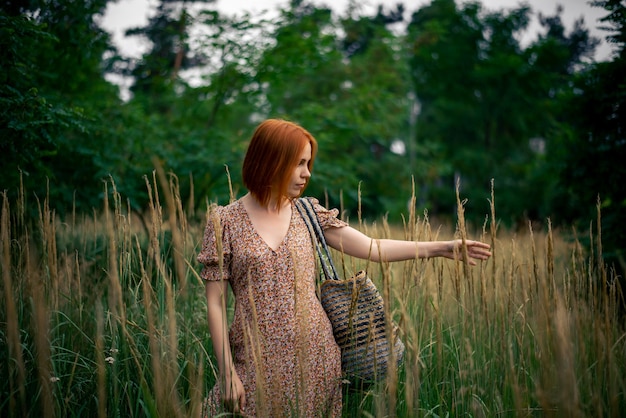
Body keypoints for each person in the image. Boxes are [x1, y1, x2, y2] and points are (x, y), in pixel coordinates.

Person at [197, 118, 492, 417]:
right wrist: (226, 373)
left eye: (308, 163)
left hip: (317, 359)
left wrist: (440, 248)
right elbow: (215, 303)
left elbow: (372, 247)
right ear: (272, 160)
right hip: (255, 359)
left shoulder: (309, 213)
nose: (306, 173)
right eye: (298, 163)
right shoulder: (225, 222)